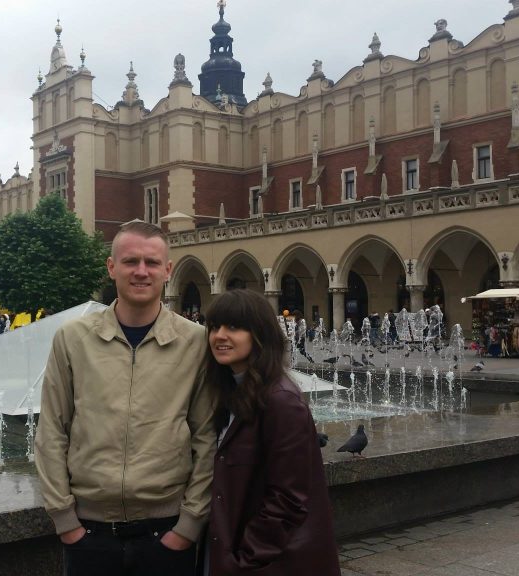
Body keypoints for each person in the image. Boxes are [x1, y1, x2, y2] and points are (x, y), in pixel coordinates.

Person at [35, 220, 215, 576]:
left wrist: (189, 525)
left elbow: (206, 437)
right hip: (89, 532)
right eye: (131, 261)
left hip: (167, 530)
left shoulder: (195, 342)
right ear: (112, 267)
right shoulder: (73, 338)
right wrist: (66, 521)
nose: (141, 272)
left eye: (151, 263)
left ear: (168, 270)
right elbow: (52, 430)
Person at [202, 289, 340, 575]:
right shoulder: (231, 392)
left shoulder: (280, 401)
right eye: (214, 326)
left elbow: (288, 498)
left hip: (263, 563)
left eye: (234, 327)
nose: (220, 335)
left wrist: (245, 559)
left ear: (260, 334)